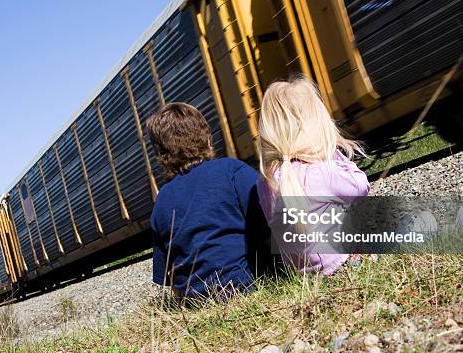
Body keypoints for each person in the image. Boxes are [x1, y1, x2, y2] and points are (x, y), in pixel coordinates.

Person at [146, 102, 269, 301]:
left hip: (194, 302)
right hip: (246, 286)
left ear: (161, 154)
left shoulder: (162, 201)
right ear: (208, 138)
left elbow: (167, 276)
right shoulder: (231, 170)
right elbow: (270, 223)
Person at [257, 76, 370, 275]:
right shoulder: (322, 172)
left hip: (302, 276)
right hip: (344, 266)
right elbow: (362, 187)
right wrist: (333, 154)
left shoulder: (264, 183)